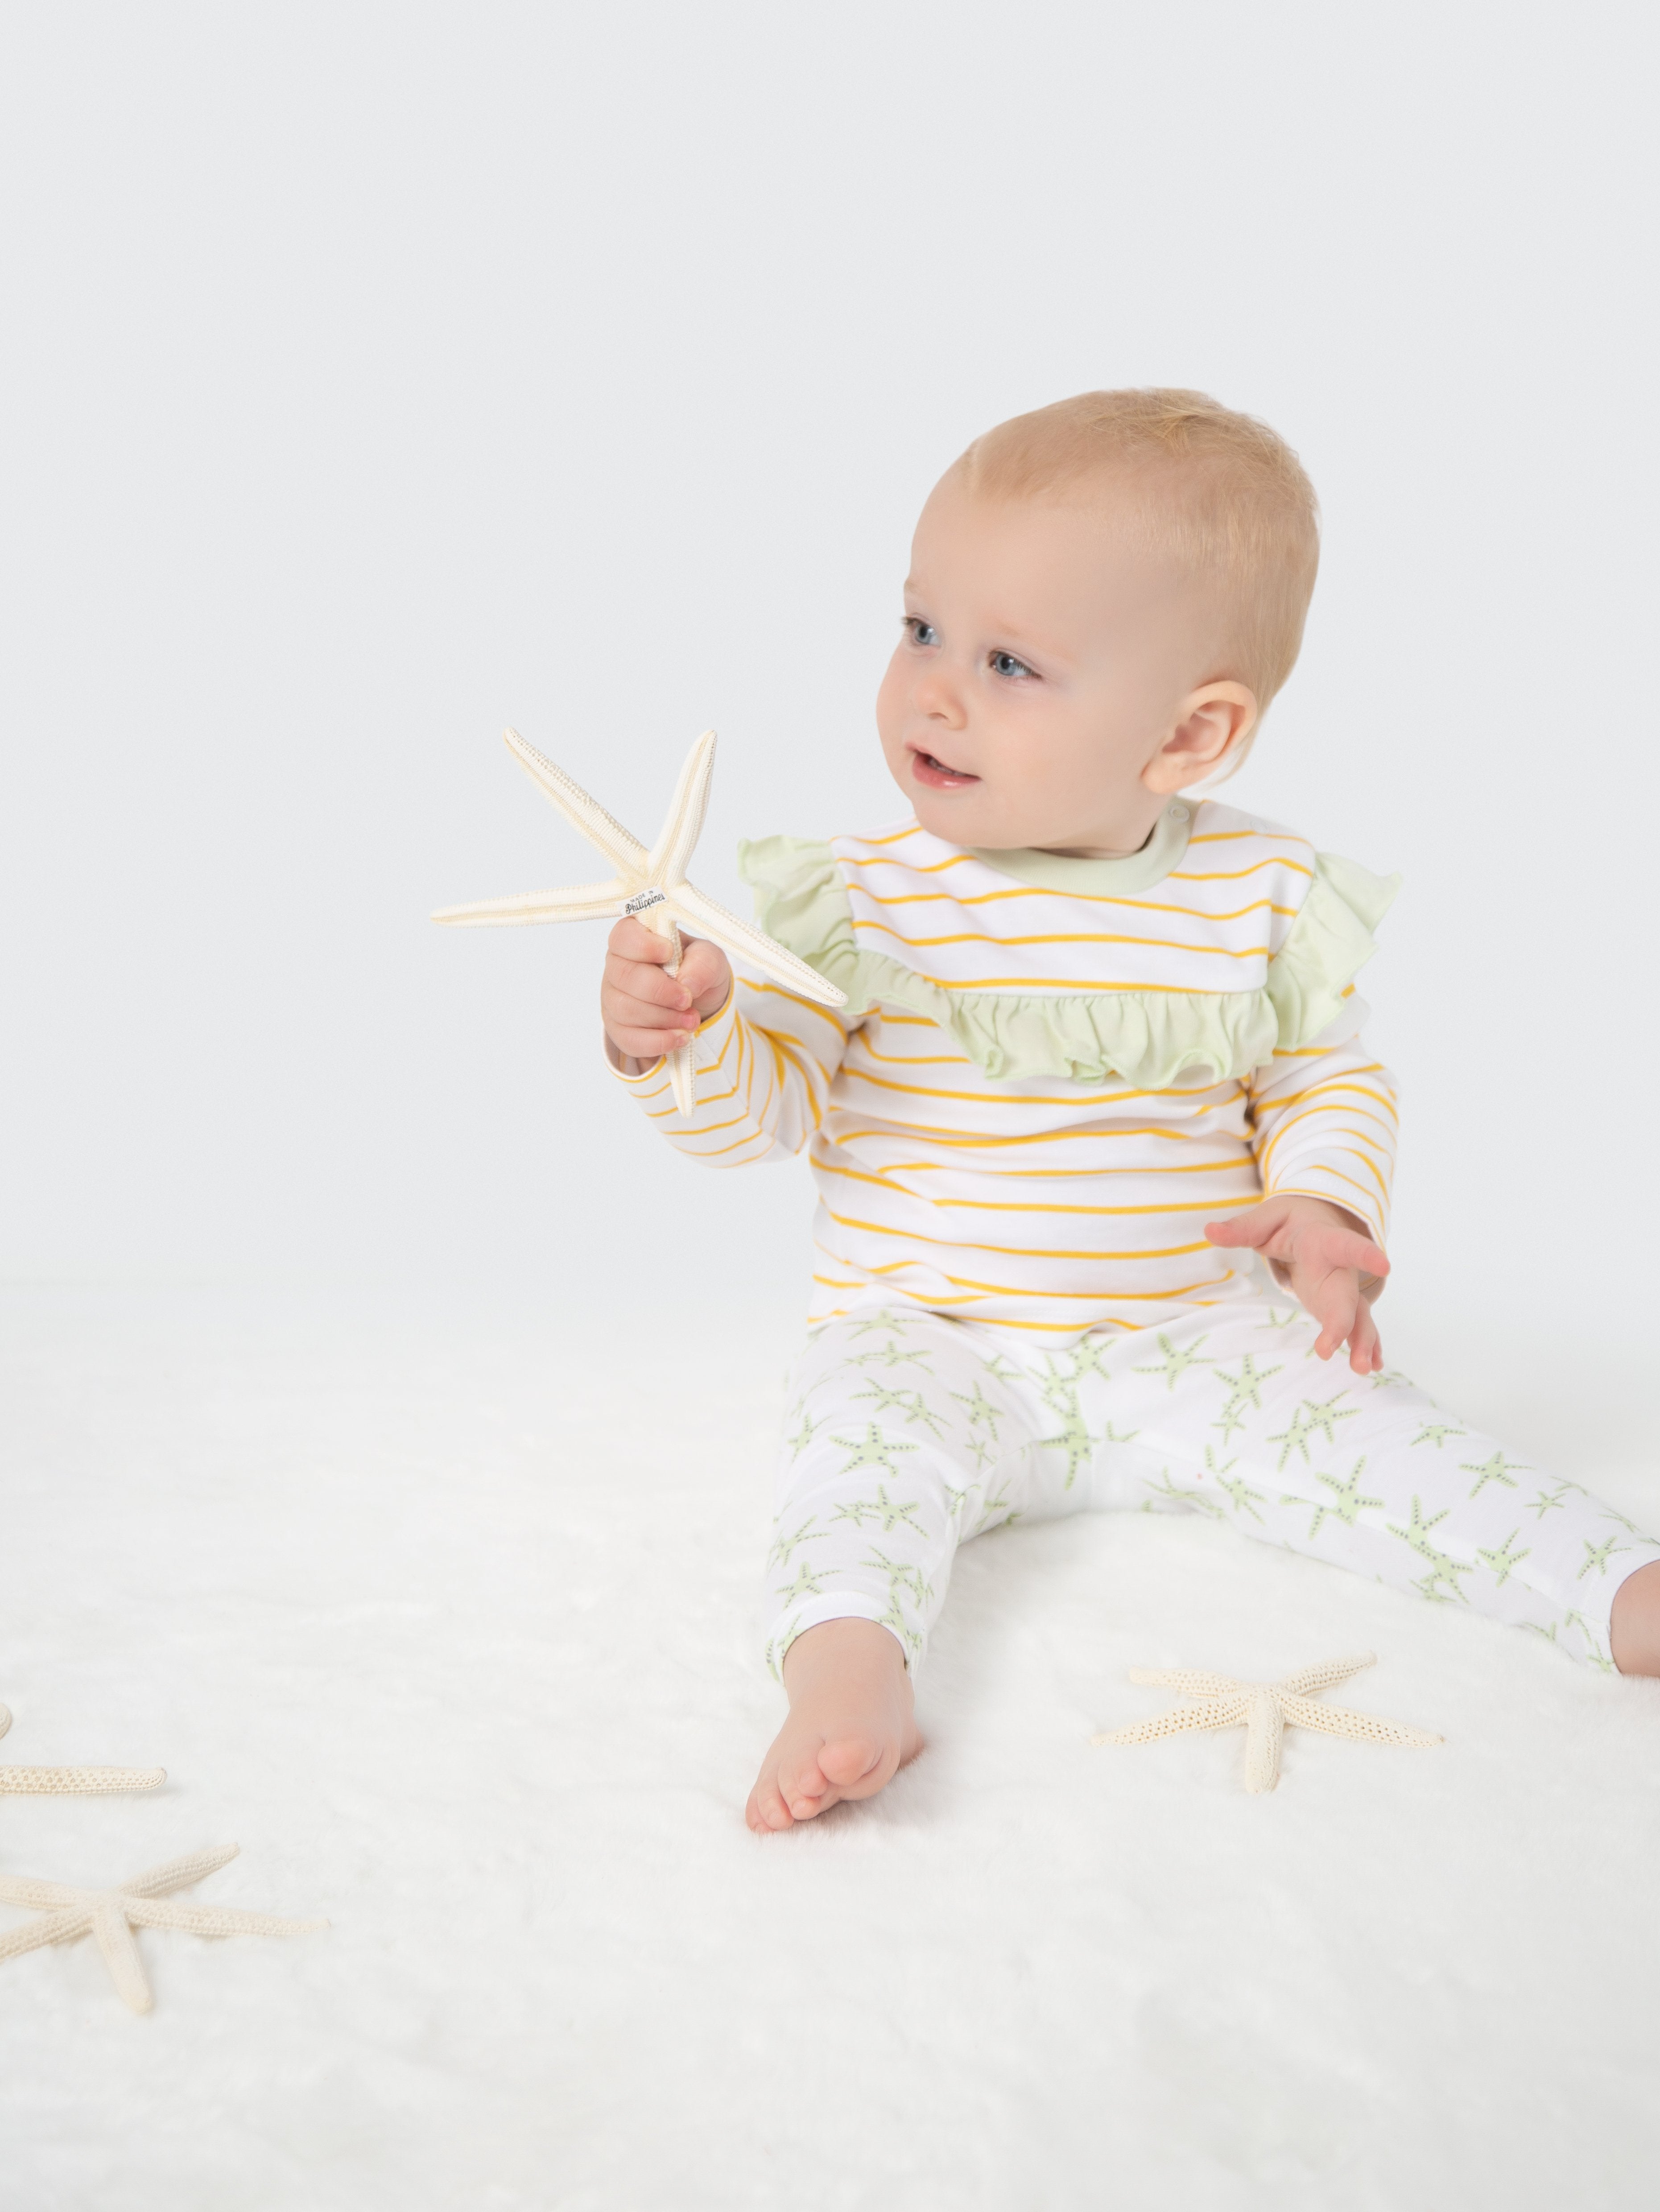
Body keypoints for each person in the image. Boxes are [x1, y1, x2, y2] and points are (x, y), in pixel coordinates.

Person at [596, 389, 1660, 1832]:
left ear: (1188, 735)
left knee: (1391, 1446)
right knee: (860, 1472)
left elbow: (1322, 1075)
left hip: (1197, 1332)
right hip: (932, 1332)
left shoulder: (1257, 897)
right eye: (919, 629)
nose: (932, 690)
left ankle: (1609, 1585)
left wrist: (1325, 1208)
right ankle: (845, 1668)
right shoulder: (853, 896)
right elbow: (761, 1119)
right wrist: (688, 1042)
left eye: (1008, 662)